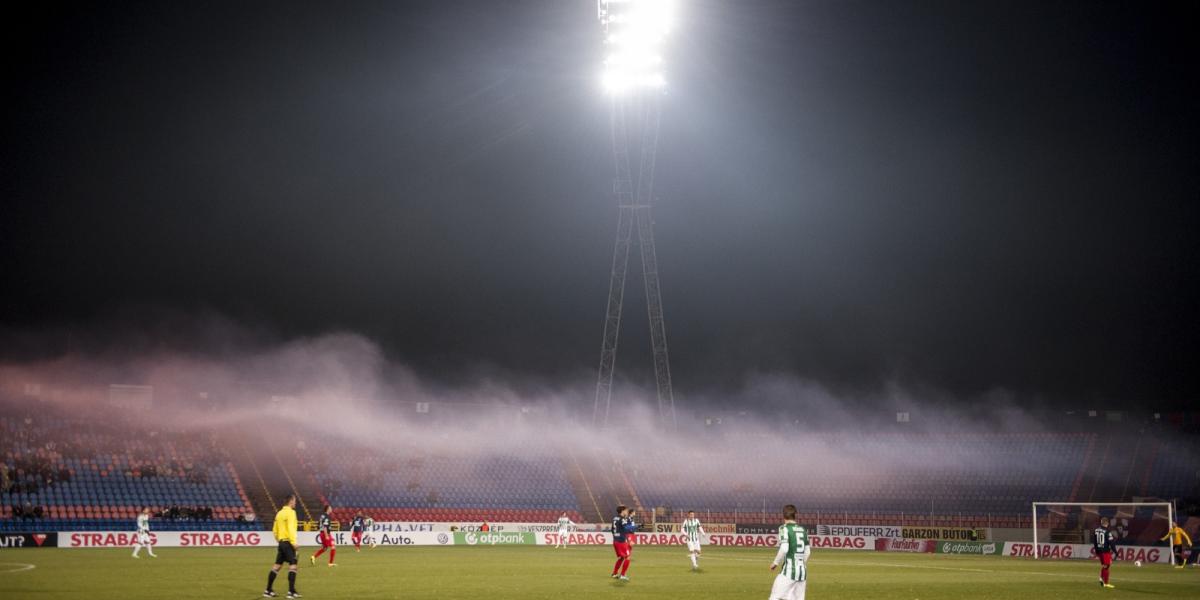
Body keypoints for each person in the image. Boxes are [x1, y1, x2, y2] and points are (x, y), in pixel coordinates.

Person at [769, 504, 810, 600]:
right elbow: (808, 552)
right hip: (802, 572)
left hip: (789, 571)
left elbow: (784, 548)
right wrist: (800, 563)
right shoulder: (803, 530)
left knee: (774, 597)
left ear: (783, 515)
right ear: (795, 515)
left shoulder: (784, 528)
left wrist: (775, 563)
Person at [265, 494, 301, 599]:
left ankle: (268, 590)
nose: (295, 502)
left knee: (277, 566)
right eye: (294, 500)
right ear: (290, 501)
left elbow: (275, 530)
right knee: (293, 565)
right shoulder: (291, 513)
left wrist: (279, 540)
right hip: (288, 542)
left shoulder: (279, 513)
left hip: (281, 543)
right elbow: (291, 528)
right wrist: (293, 542)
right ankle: (291, 592)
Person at [611, 505, 638, 581]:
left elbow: (612, 529)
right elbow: (626, 528)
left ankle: (614, 573)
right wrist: (636, 526)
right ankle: (622, 575)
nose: (627, 512)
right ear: (622, 511)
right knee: (628, 557)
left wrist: (616, 537)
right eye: (626, 510)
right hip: (621, 541)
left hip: (616, 541)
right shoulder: (622, 519)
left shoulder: (615, 518)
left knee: (622, 557)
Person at [1093, 516, 1117, 589]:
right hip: (1105, 551)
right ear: (1107, 523)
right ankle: (1105, 582)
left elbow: (1094, 541)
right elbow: (1111, 542)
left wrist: (1096, 550)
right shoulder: (1107, 531)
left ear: (1101, 522)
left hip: (1099, 550)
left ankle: (1101, 579)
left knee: (1105, 565)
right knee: (1107, 566)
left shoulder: (1096, 530)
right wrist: (1115, 551)